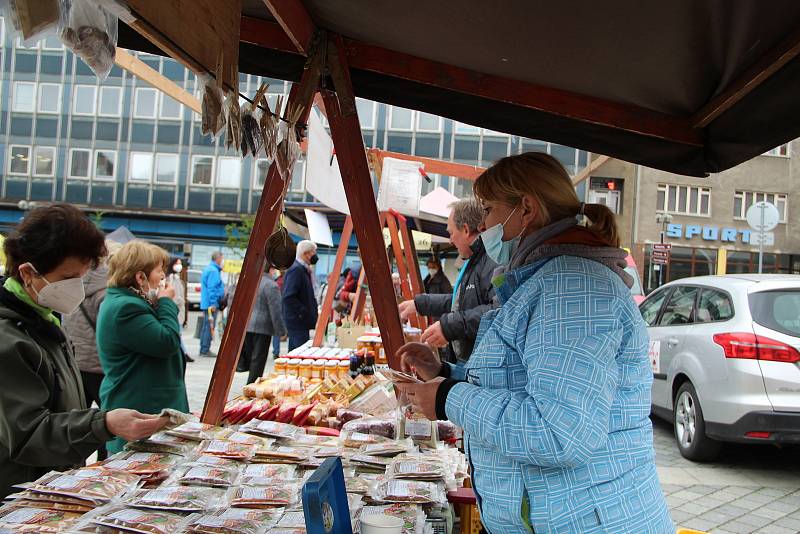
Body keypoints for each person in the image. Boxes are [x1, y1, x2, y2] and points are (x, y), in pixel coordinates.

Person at [396, 153, 673, 533]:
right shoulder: (546, 279)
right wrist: (446, 373)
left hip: (584, 520)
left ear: (525, 209)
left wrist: (447, 397)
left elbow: (559, 432)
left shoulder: (571, 287)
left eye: (489, 210)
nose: (483, 225)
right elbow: (524, 380)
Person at [0, 204, 167, 498]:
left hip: (48, 487)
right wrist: (103, 423)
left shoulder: (43, 319)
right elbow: (28, 434)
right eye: (68, 278)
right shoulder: (9, 339)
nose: (77, 288)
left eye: (82, 276)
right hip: (17, 497)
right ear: (28, 273)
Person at [97, 241, 190, 454]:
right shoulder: (126, 307)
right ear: (140, 277)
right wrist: (167, 303)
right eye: (159, 272)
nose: (163, 279)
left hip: (145, 405)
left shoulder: (127, 302)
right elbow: (166, 342)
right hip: (141, 410)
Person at [398, 199, 496, 376]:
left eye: (451, 233)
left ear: (466, 230)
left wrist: (449, 327)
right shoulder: (474, 261)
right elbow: (461, 301)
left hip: (483, 368)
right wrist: (419, 304)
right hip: (470, 364)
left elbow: (498, 310)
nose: (450, 240)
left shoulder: (490, 260)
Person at [62, 239, 122, 461]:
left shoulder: (72, 284)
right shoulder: (106, 292)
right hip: (99, 365)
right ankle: (102, 463)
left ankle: (72, 465)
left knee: (77, 423)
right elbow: (112, 331)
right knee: (106, 422)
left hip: (76, 363)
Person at [238, 265, 287, 384]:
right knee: (258, 361)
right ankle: (251, 386)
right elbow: (275, 311)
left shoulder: (252, 282)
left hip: (248, 325)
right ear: (271, 269)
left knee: (251, 358)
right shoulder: (271, 285)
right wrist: (281, 331)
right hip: (263, 327)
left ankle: (250, 383)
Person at [282, 240, 319, 351]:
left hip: (300, 322)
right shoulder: (296, 270)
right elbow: (288, 297)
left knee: (295, 353)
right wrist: (303, 312)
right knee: (299, 353)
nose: (315, 255)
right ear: (306, 253)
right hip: (298, 322)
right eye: (313, 252)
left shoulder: (302, 270)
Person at [167, 257, 193, 363]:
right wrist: (180, 301)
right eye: (177, 263)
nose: (179, 265)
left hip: (179, 311)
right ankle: (184, 353)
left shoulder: (177, 278)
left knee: (179, 333)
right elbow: (174, 296)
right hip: (175, 310)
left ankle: (184, 353)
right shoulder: (170, 279)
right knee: (178, 333)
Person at [199, 251, 225, 358]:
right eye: (222, 258)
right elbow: (212, 289)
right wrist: (213, 303)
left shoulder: (209, 269)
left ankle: (204, 348)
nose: (222, 261)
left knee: (206, 326)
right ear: (218, 258)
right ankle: (205, 349)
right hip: (211, 304)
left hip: (207, 303)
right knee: (209, 326)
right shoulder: (213, 271)